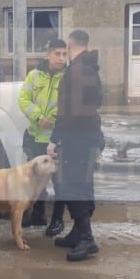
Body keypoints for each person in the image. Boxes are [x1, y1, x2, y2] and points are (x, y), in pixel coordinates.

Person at [47, 29, 104, 262]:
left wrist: (56, 139)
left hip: (77, 138)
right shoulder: (90, 68)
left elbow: (69, 110)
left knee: (75, 185)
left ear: (70, 46)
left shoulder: (77, 71)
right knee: (80, 183)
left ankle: (87, 239)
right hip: (87, 136)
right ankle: (78, 232)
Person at [18, 39, 67, 237]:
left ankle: (57, 220)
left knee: (59, 180)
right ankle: (37, 215)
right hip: (35, 136)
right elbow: (23, 99)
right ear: (48, 54)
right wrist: (39, 117)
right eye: (57, 54)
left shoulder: (68, 77)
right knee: (35, 180)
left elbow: (69, 104)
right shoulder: (34, 75)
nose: (61, 58)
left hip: (57, 139)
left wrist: (52, 119)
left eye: (64, 54)